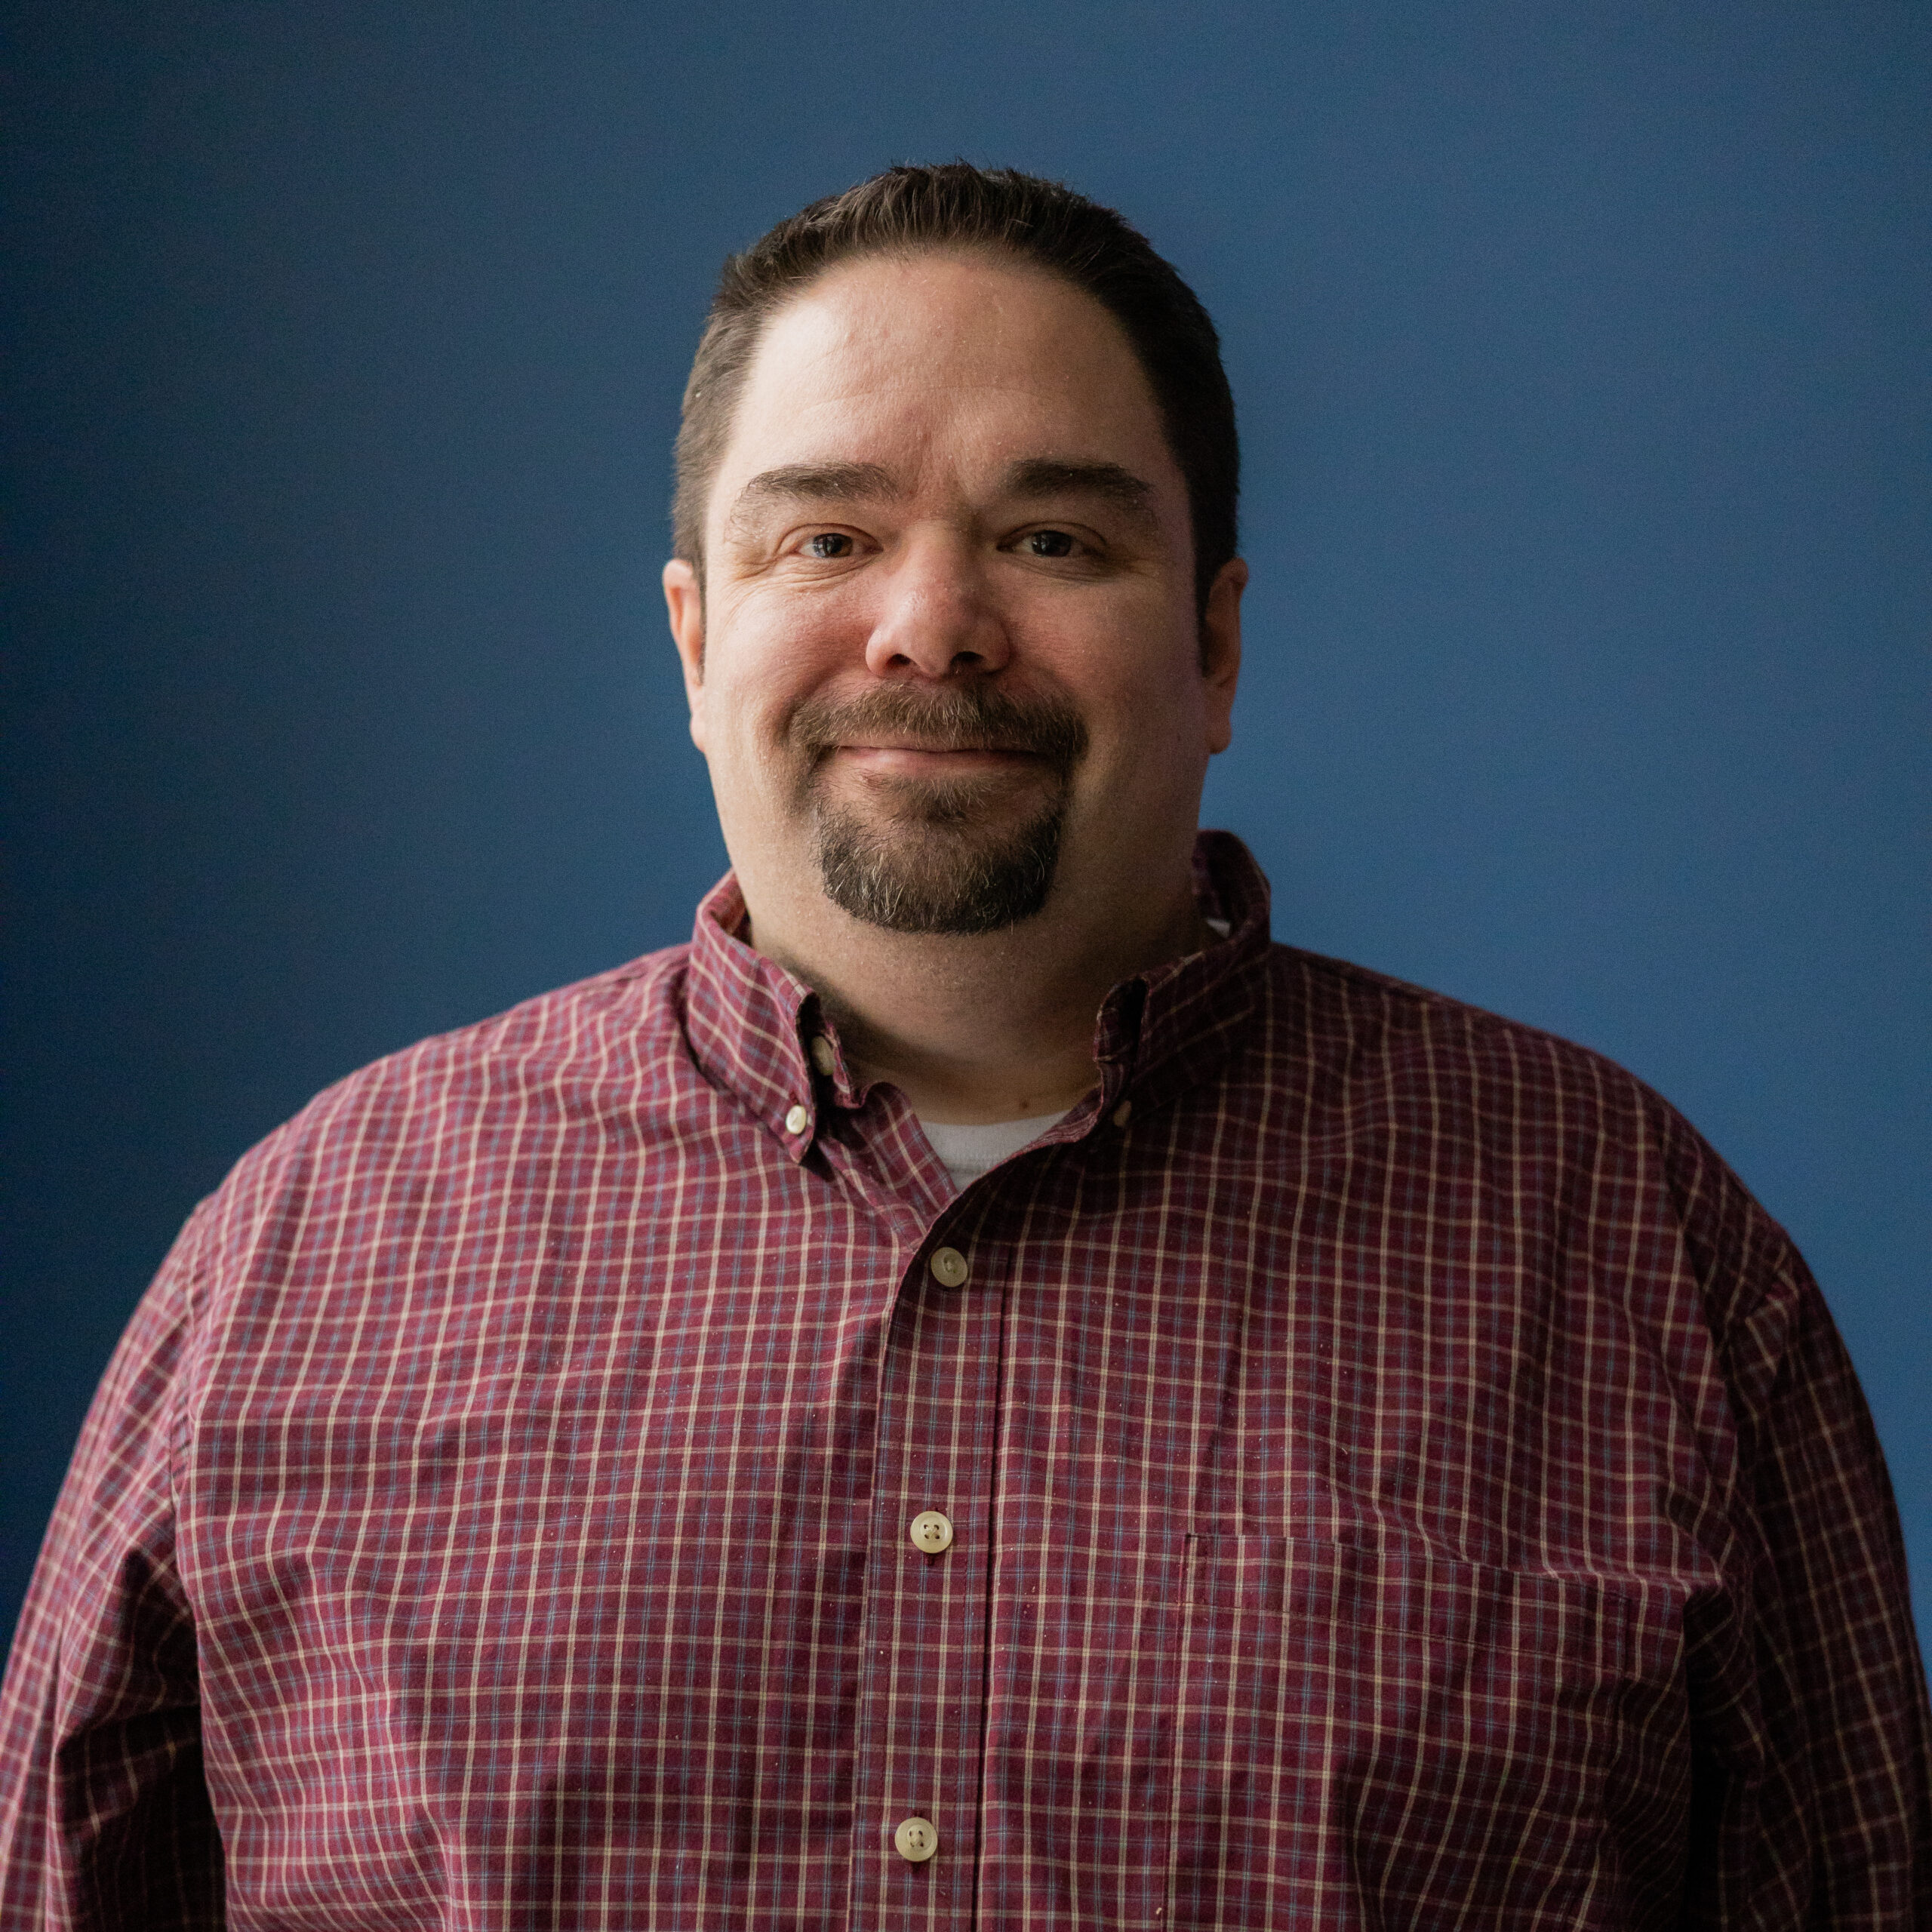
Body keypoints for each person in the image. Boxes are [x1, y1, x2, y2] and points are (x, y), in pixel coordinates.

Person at [2, 162, 1926, 1930]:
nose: (929, 626)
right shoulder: (300, 1254)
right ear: (693, 645)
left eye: (1055, 539)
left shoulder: (1630, 1251)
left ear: (1217, 645)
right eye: (826, 533)